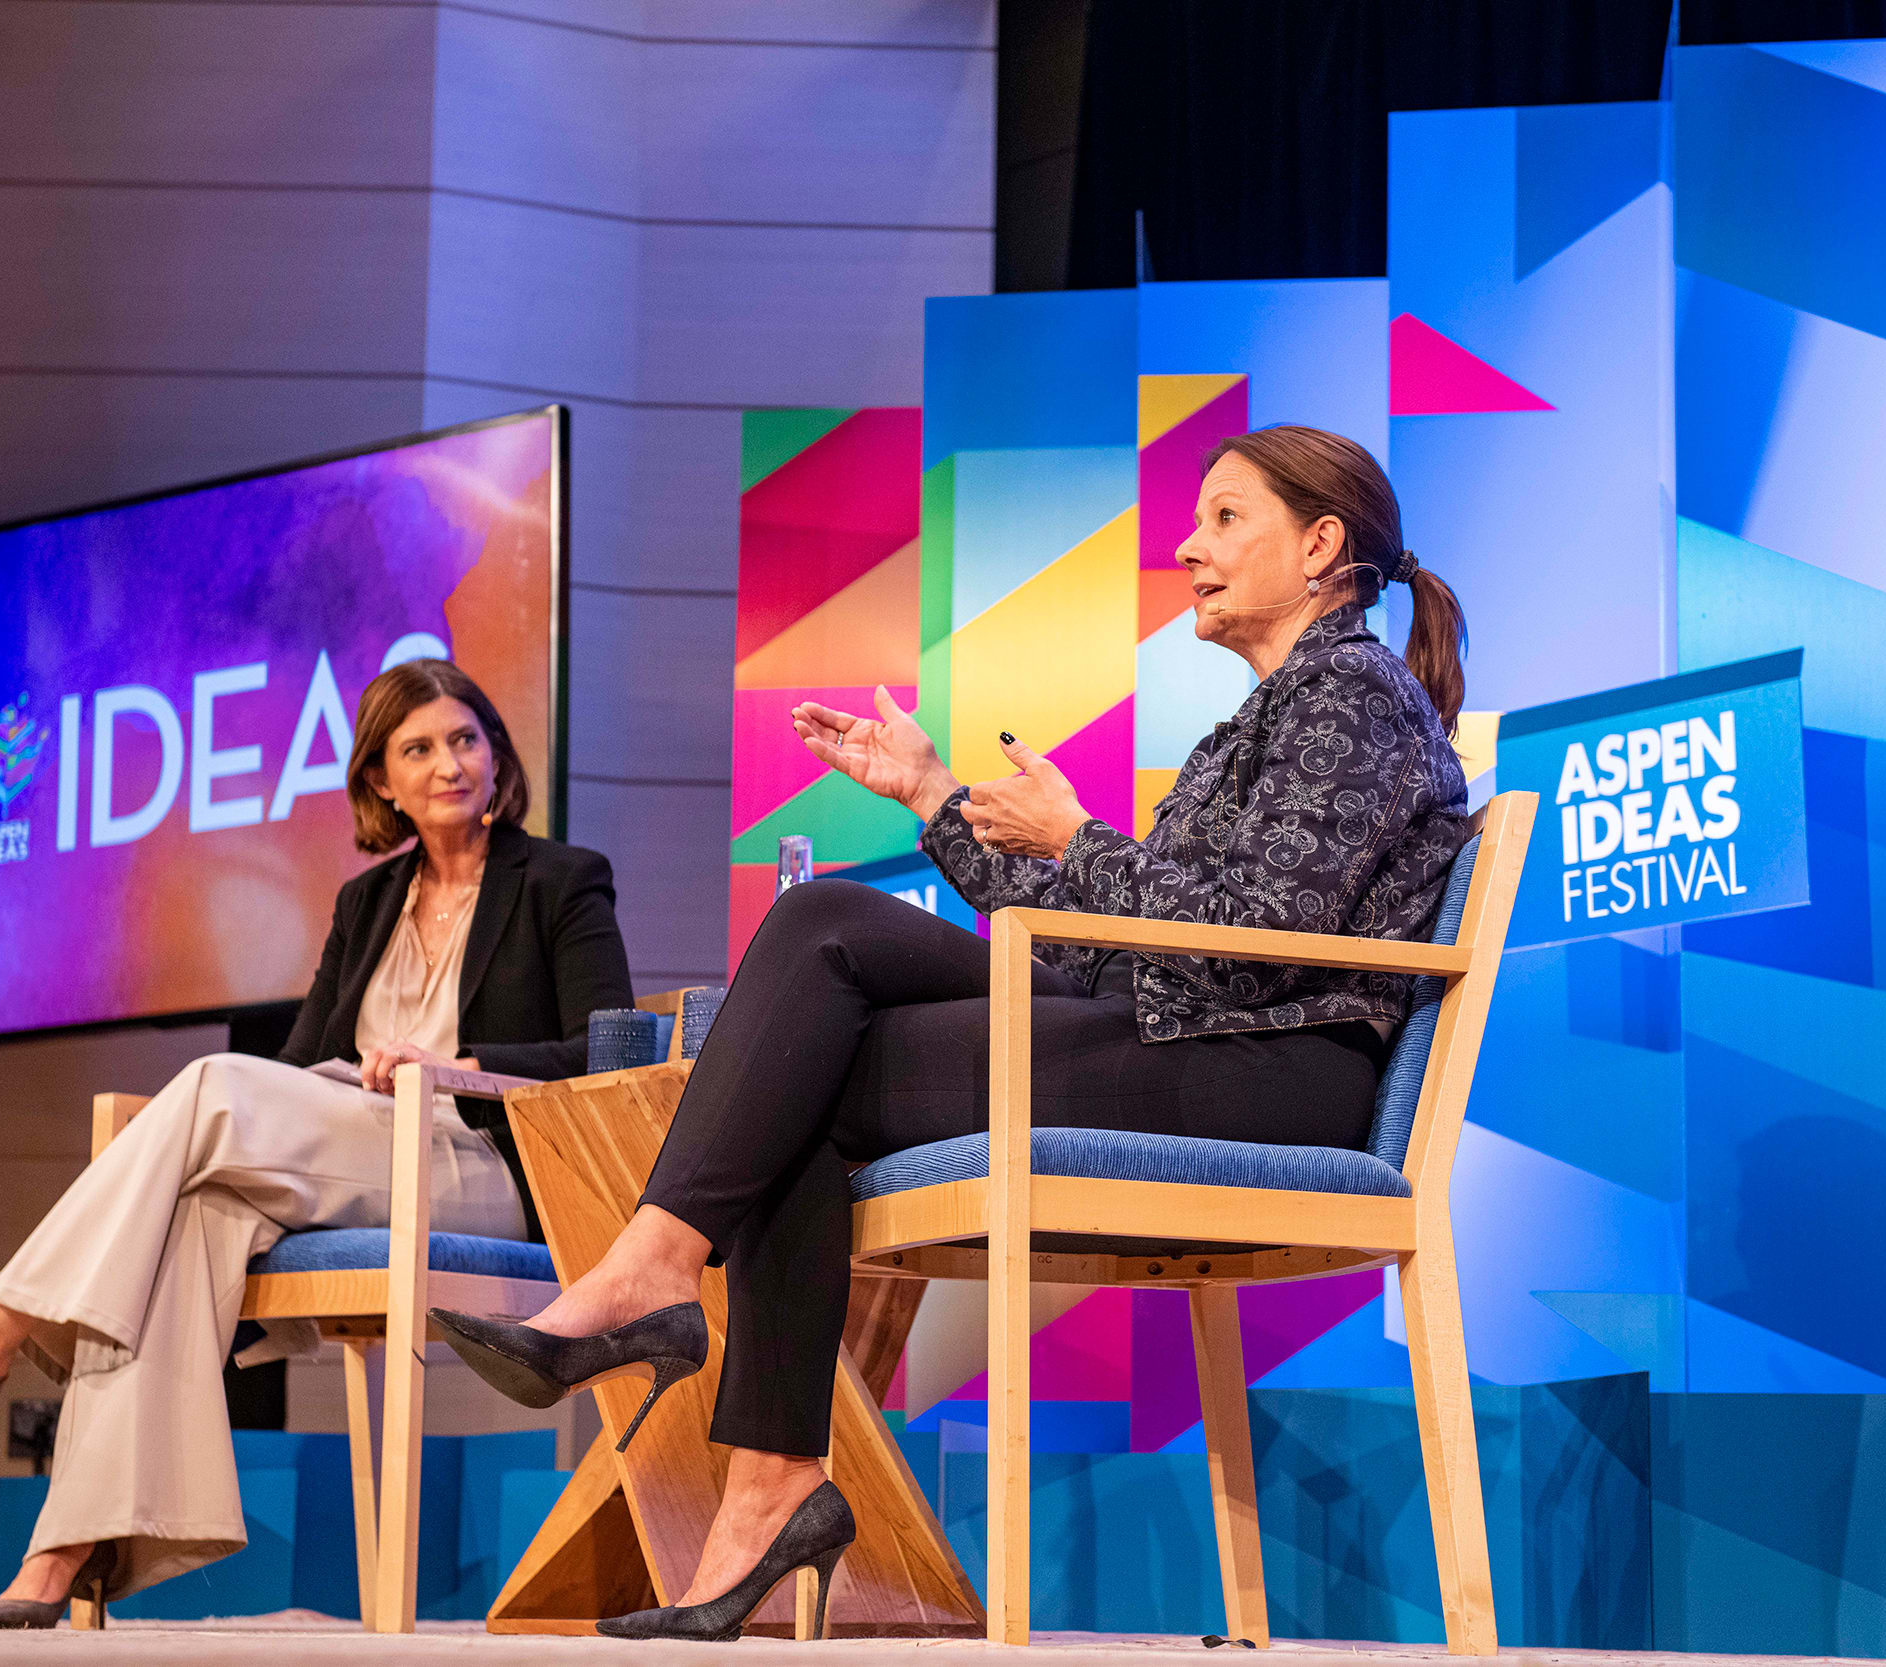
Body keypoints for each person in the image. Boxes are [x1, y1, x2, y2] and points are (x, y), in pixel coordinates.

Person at [434, 424, 1473, 1641]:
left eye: (1224, 519)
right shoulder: (1266, 715)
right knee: (818, 946)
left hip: (1272, 1075)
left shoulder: (1350, 693)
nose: (1186, 547)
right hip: (1186, 1027)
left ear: (1320, 546)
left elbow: (1249, 935)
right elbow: (1110, 945)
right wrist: (938, 798)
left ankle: (676, 1322)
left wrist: (1077, 839)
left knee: (795, 1061)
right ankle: (745, 1450)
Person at [0, 658, 634, 1626]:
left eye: (465, 739)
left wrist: (452, 1060)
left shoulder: (562, 881)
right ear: (381, 780)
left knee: (210, 1087)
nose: (450, 762)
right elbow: (292, 1070)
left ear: (496, 755)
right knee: (191, 1216)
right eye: (419, 747)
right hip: (350, 1143)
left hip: (477, 1152)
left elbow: (608, 1049)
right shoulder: (365, 904)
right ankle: (60, 1551)